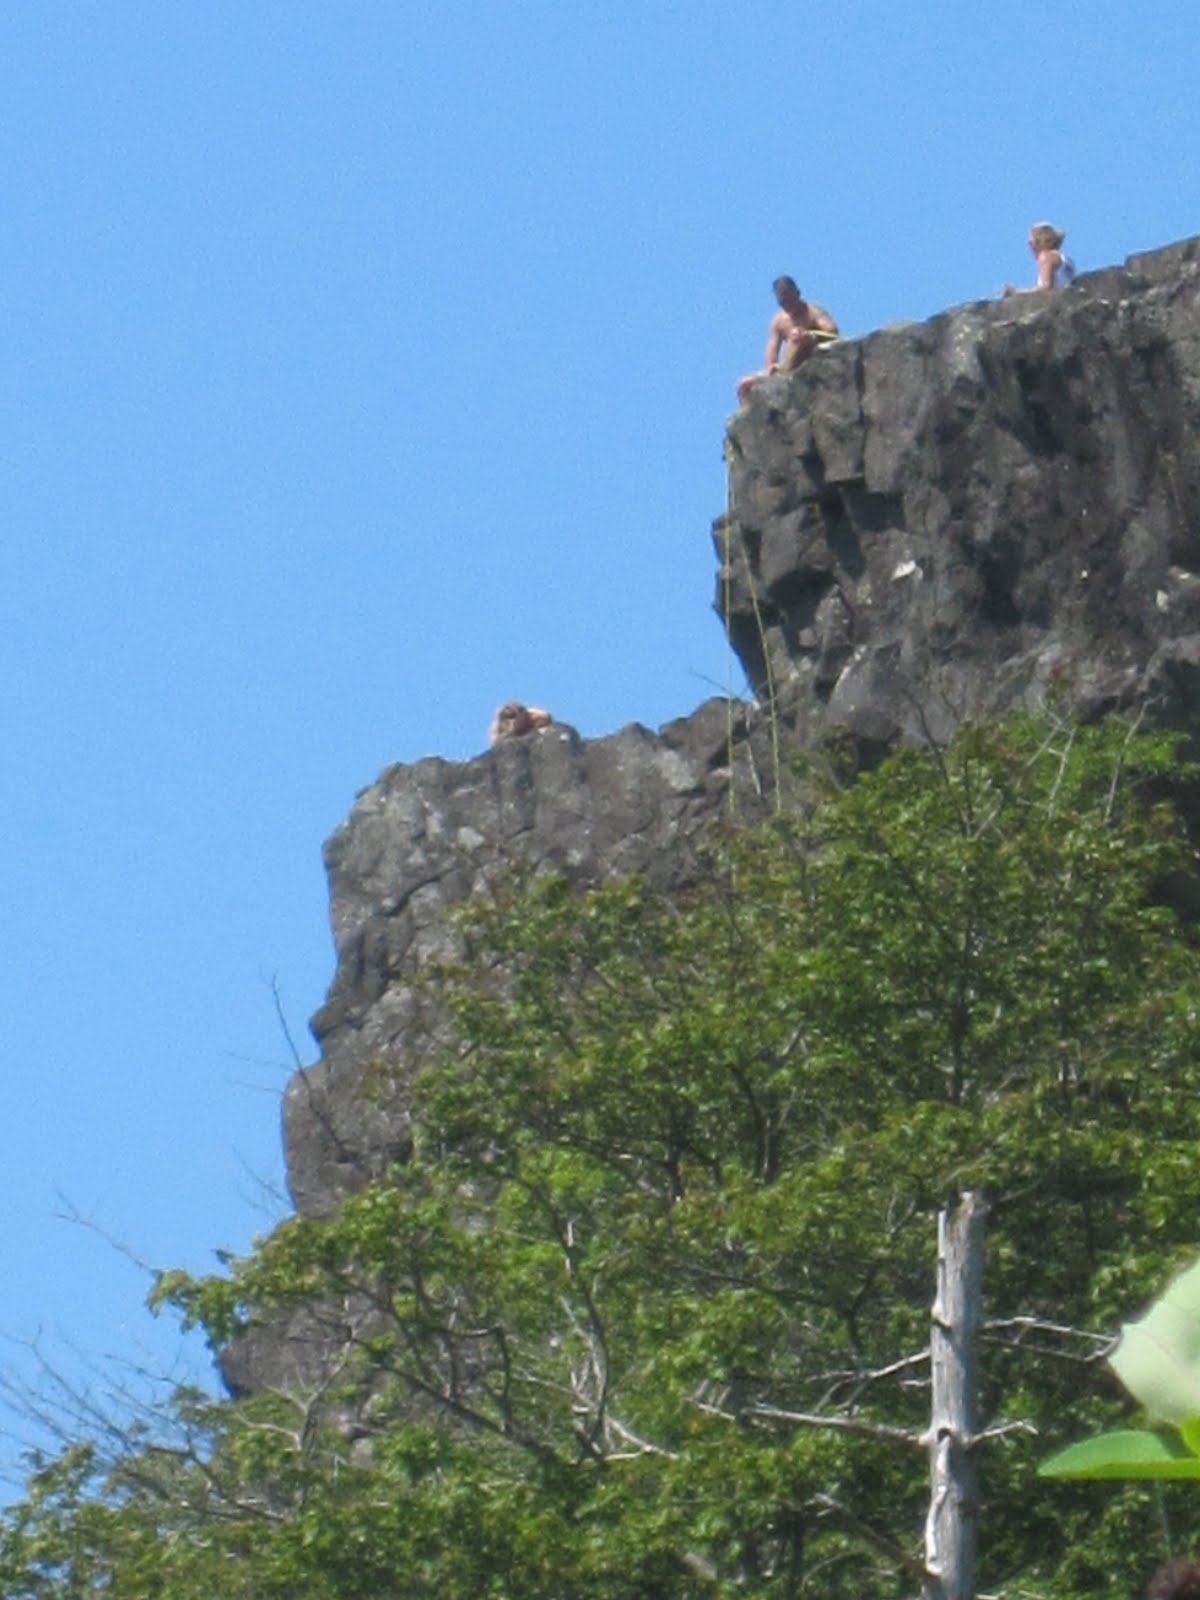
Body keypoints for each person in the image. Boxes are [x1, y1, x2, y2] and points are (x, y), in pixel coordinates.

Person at [736, 276, 839, 406]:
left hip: (810, 356)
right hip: (785, 366)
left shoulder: (813, 311)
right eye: (783, 301)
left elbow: (832, 332)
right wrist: (771, 367)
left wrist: (810, 335)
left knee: (796, 335)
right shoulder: (778, 321)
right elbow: (772, 351)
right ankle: (749, 421)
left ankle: (786, 374)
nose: (787, 305)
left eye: (789, 299)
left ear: (797, 293)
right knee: (743, 385)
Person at [1003, 222, 1074, 297]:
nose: (1030, 247)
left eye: (1032, 242)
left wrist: (1016, 293)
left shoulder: (1046, 256)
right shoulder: (1066, 260)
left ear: (1043, 241)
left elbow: (1046, 288)